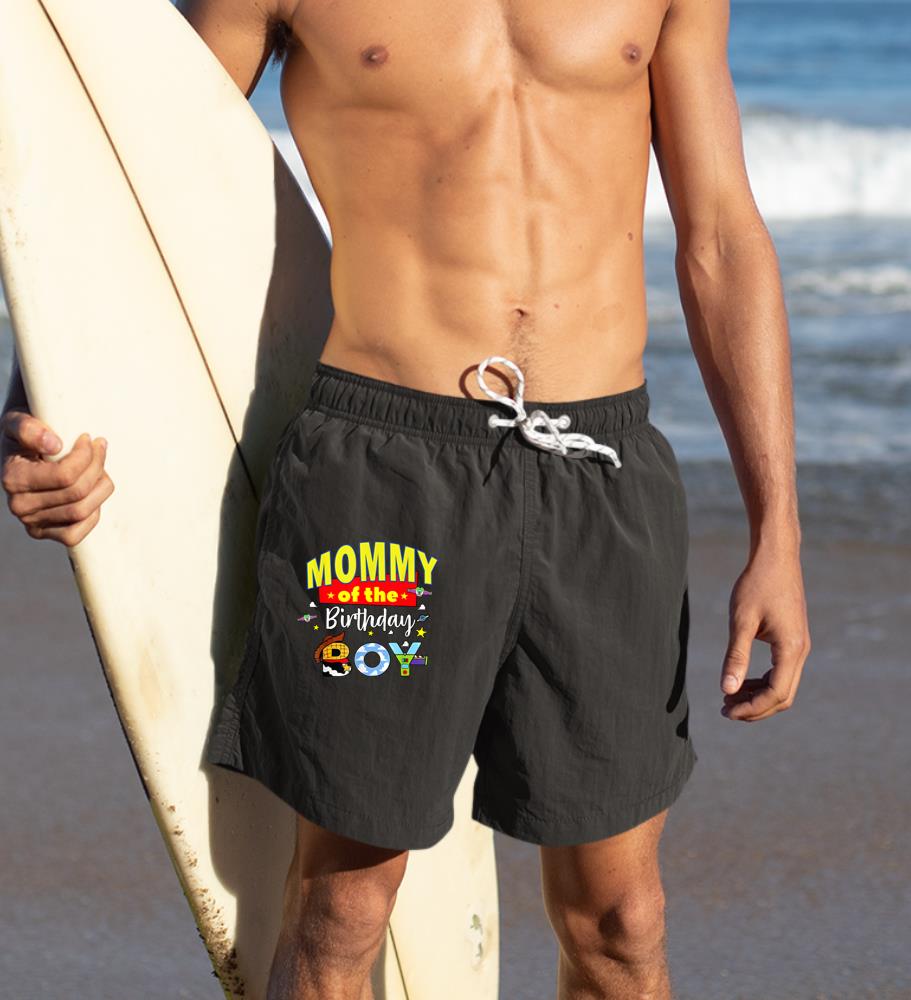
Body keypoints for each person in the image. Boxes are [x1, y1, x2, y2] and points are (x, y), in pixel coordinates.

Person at [0, 0, 811, 996]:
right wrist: (40, 405)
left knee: (620, 919)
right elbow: (126, 184)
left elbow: (721, 236)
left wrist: (778, 529)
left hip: (598, 472)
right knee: (343, 908)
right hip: (380, 481)